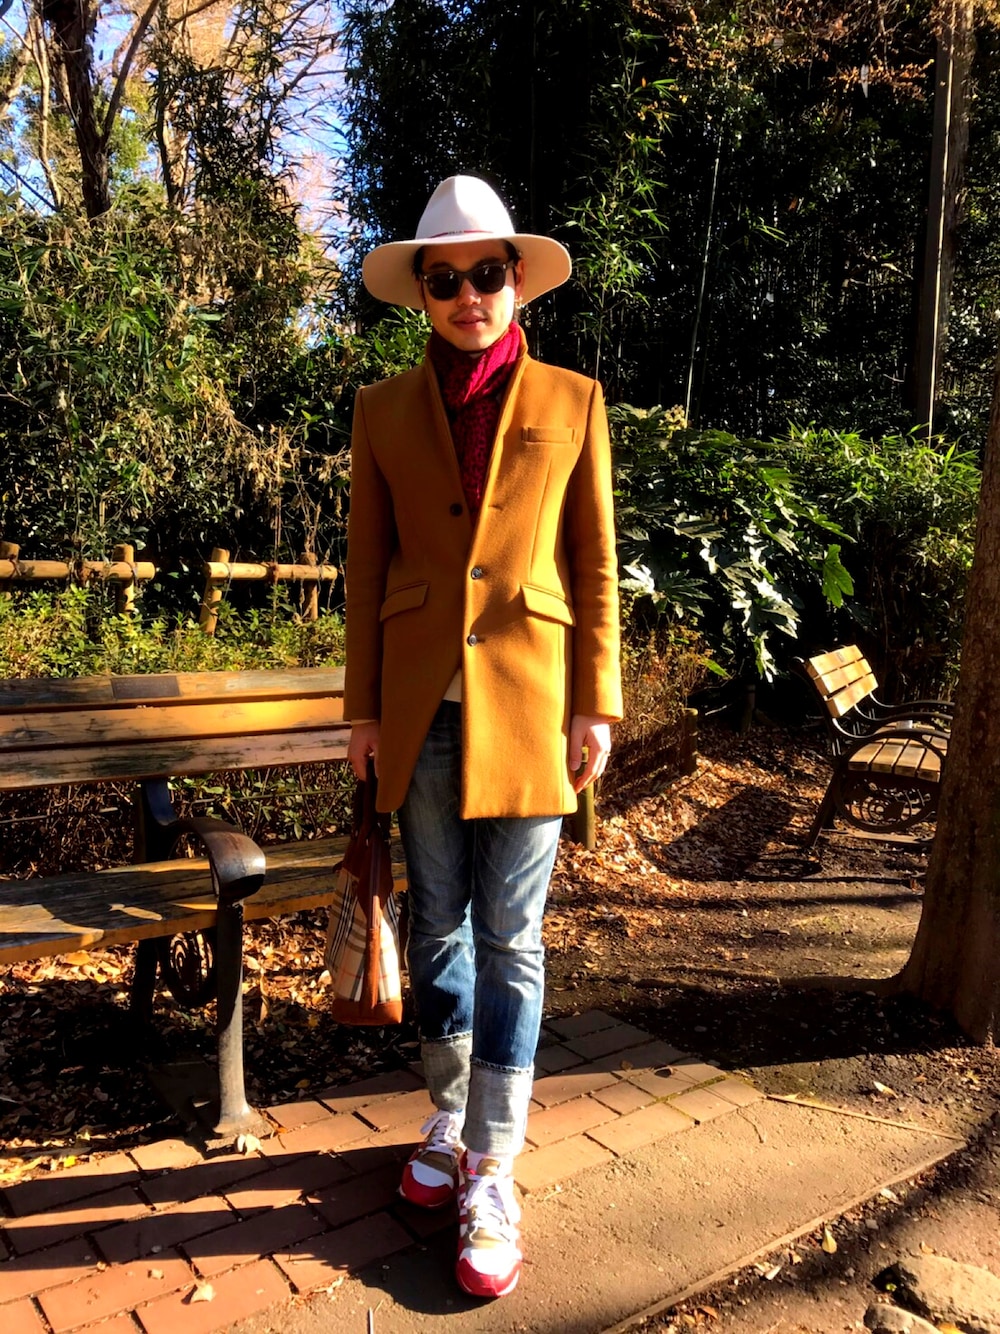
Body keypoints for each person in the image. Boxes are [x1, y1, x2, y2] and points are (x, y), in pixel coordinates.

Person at [344, 174, 622, 1299]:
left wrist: (597, 700)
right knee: (438, 924)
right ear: (422, 291)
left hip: (534, 702)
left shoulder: (574, 398)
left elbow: (594, 561)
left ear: (517, 281)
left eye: (487, 274)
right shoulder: (379, 410)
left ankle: (494, 1161)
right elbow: (367, 568)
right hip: (420, 706)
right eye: (445, 278)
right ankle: (450, 1116)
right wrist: (362, 709)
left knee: (511, 935)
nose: (469, 294)